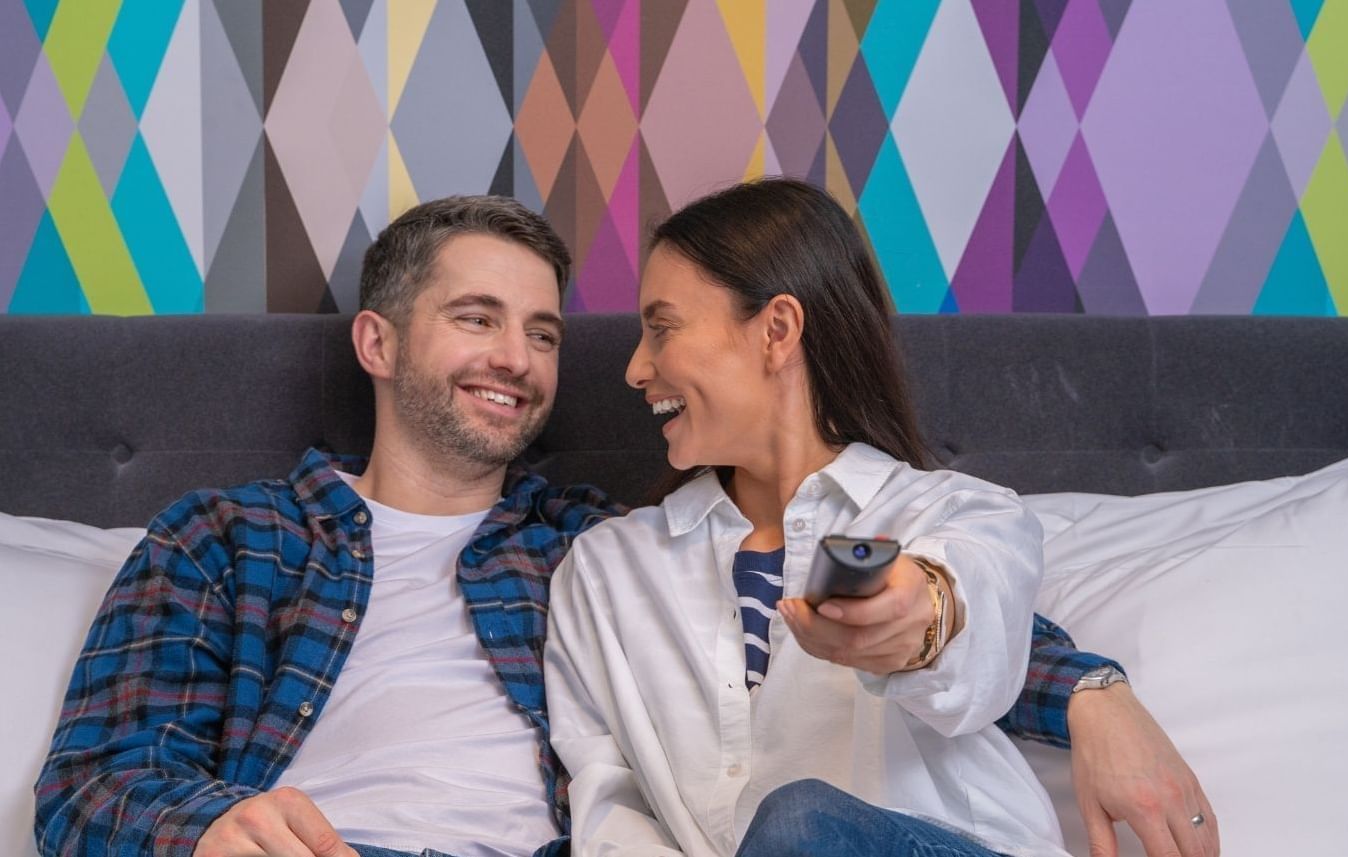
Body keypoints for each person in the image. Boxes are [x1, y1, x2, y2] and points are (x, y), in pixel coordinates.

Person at [35, 194, 1211, 857]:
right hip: (333, 846)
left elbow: (934, 593)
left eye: (544, 332)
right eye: (477, 318)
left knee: (798, 821)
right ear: (378, 343)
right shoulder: (225, 540)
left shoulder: (572, 541)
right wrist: (208, 830)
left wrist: (1094, 689)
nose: (518, 357)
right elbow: (93, 781)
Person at [544, 179, 1218, 857]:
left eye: (661, 328)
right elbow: (609, 804)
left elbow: (971, 614)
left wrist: (918, 617)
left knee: (799, 821)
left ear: (776, 331)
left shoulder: (959, 511)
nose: (636, 368)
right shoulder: (605, 571)